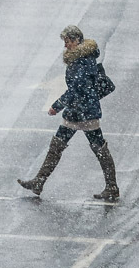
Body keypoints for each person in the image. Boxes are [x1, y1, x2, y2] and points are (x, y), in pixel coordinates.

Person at [18, 25, 119, 201]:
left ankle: (112, 187)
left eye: (67, 41)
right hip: (79, 111)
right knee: (59, 145)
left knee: (98, 148)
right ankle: (39, 182)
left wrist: (57, 106)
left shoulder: (81, 61)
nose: (65, 45)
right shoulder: (81, 58)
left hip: (85, 112)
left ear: (76, 40)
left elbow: (75, 90)